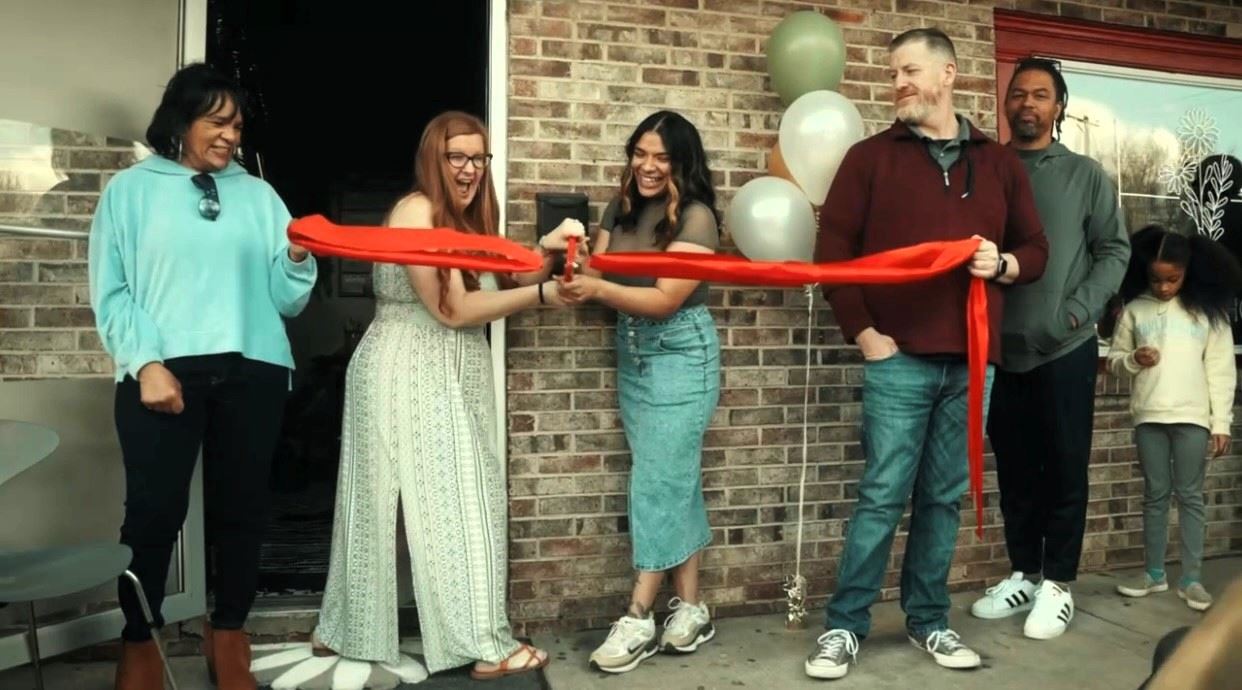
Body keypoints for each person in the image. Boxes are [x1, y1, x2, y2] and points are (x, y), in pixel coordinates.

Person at [807, 28, 1049, 680]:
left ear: (948, 75)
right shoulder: (868, 158)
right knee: (883, 494)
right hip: (898, 358)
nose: (899, 85)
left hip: (973, 361)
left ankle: (929, 621)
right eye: (894, 75)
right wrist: (865, 336)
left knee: (942, 499)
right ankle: (843, 627)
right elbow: (833, 256)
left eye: (910, 71)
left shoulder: (998, 162)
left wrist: (1002, 264)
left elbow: (1035, 250)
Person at [311, 111, 583, 680]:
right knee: (454, 505)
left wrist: (546, 253)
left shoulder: (460, 222)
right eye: (456, 157)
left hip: (442, 370)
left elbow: (493, 280)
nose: (469, 169)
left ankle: (345, 630)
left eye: (478, 158)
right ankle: (482, 645)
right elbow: (452, 309)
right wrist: (540, 296)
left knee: (430, 503)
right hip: (408, 369)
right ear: (433, 160)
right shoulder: (417, 212)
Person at [88, 63, 316, 690]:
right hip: (162, 375)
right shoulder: (130, 191)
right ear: (180, 121)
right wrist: (147, 363)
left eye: (236, 125)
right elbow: (112, 293)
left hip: (255, 369)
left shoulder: (262, 196)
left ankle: (230, 639)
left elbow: (287, 300)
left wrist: (295, 256)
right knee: (152, 516)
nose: (229, 136)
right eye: (216, 122)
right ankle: (139, 644)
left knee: (244, 512)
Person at [969, 57, 1130, 640]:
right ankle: (1025, 573)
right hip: (999, 349)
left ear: (1058, 107)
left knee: (1064, 468)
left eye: (1040, 94)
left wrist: (1076, 310)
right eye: (1018, 94)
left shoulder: (1084, 175)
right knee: (1014, 470)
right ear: (1006, 103)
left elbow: (1114, 251)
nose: (1027, 104)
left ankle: (1059, 584)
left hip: (1065, 348)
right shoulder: (985, 168)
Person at [558, 110, 721, 674]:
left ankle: (639, 616)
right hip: (633, 352)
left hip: (681, 352)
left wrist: (597, 284)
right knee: (676, 477)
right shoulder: (620, 205)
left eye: (662, 157)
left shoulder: (698, 218)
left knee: (656, 481)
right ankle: (694, 608)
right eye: (641, 153)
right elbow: (597, 264)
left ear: (682, 163)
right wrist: (572, 264)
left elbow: (663, 299)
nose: (649, 167)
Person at [1106, 226, 1239, 612]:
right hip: (1149, 416)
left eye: (1173, 279)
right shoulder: (1135, 310)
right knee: (1155, 496)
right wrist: (1133, 360)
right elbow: (1115, 361)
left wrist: (1221, 423)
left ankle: (1192, 578)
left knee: (1191, 496)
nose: (1163, 287)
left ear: (1188, 271)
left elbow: (1221, 369)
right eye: (1155, 279)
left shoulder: (1206, 314)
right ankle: (1153, 573)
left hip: (1193, 418)